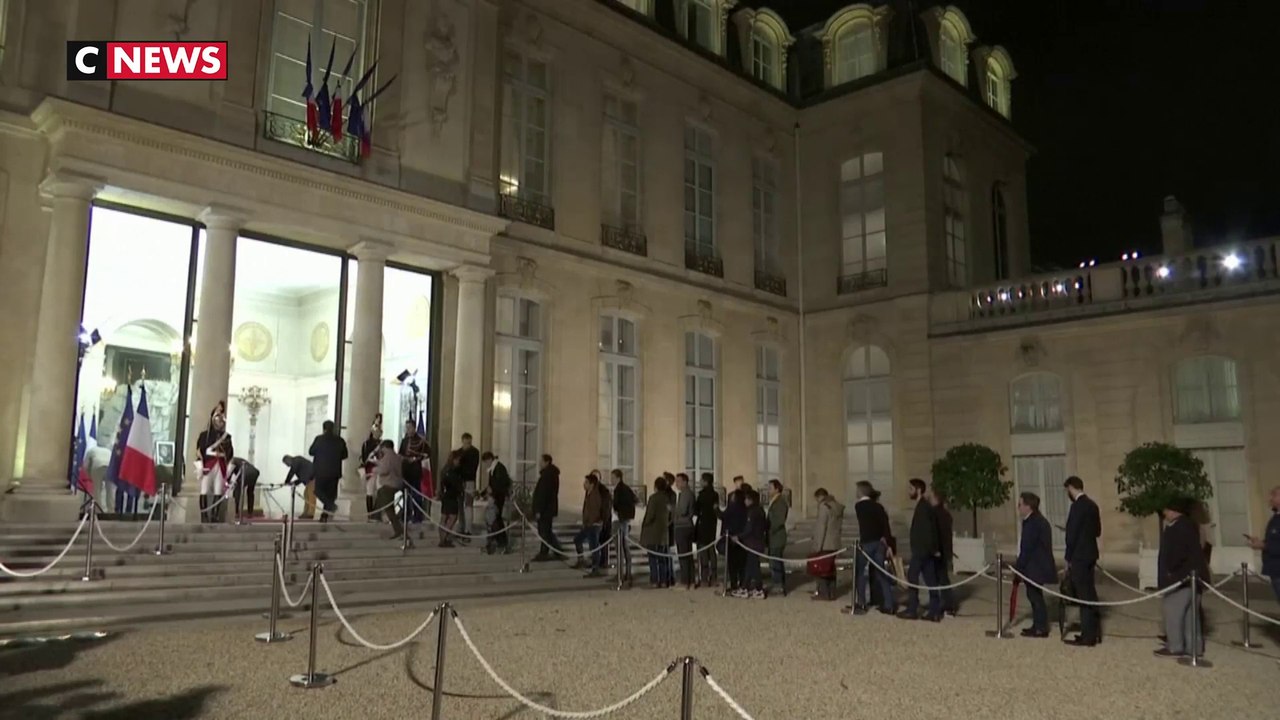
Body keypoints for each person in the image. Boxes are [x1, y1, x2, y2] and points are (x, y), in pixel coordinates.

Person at [1155, 496, 1209, 658]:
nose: (1164, 513)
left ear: (1173, 511)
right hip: (1193, 577)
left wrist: (1170, 571)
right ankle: (1194, 647)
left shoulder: (1179, 527)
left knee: (1173, 612)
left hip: (1180, 578)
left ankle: (1175, 646)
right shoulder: (1189, 525)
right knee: (1191, 616)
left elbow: (1176, 553)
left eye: (1166, 510)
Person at [1063, 475, 1102, 646]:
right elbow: (1097, 531)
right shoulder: (1092, 505)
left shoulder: (1077, 507)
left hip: (1079, 556)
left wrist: (1068, 557)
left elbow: (1071, 535)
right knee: (1090, 593)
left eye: (1067, 490)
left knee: (1083, 596)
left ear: (1071, 488)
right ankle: (1092, 631)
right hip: (1091, 553)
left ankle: (1088, 636)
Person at [1014, 492, 1057, 637]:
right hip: (1037, 566)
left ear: (1028, 506)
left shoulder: (1033, 523)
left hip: (1036, 566)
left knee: (1035, 597)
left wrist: (1018, 568)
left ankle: (1040, 627)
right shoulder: (1037, 521)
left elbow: (1027, 548)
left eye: (1020, 504)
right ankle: (1038, 625)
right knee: (1034, 596)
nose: (1018, 508)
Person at [899, 478, 942, 621]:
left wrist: (928, 549)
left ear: (918, 490)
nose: (908, 491)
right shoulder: (924, 506)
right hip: (925, 550)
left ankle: (912, 609)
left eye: (911, 489)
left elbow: (928, 530)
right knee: (931, 581)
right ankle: (934, 611)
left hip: (921, 551)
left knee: (913, 577)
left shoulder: (923, 507)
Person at [848, 481, 894, 614]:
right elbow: (885, 524)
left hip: (867, 542)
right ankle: (888, 603)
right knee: (881, 573)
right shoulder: (879, 507)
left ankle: (862, 602)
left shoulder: (860, 506)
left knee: (859, 572)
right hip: (880, 542)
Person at [196, 402, 235, 523]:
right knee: (204, 489)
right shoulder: (204, 435)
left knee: (219, 490)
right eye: (217, 415)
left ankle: (215, 515)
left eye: (222, 415)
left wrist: (229, 469)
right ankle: (204, 515)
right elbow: (199, 451)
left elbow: (230, 453)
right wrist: (200, 465)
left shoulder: (227, 437)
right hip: (209, 464)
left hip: (221, 465)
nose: (220, 419)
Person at [1245, 485, 1280, 604]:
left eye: (1274, 495)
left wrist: (1264, 546)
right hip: (1274, 569)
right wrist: (1260, 542)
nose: (1271, 498)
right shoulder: (1275, 518)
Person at [308, 420, 348, 523]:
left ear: (324, 428)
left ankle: (329, 508)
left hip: (321, 471)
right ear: (333, 428)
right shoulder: (340, 440)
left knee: (318, 491)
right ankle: (325, 515)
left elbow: (311, 452)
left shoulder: (319, 439)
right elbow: (345, 455)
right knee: (330, 495)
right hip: (334, 472)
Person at [929, 486, 959, 616]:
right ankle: (947, 605)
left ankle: (946, 605)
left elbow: (935, 534)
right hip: (945, 550)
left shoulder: (934, 513)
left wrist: (934, 549)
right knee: (943, 578)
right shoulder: (946, 514)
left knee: (939, 579)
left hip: (938, 551)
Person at [812, 487, 844, 602]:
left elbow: (822, 527)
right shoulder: (836, 506)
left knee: (821, 569)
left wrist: (817, 546)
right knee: (830, 569)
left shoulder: (824, 507)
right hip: (834, 542)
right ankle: (832, 593)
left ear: (819, 497)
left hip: (825, 542)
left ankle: (823, 593)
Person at [734, 489, 767, 599]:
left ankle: (758, 589)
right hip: (757, 542)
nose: (744, 501)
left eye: (746, 499)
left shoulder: (752, 512)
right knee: (750, 566)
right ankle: (745, 587)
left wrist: (738, 536)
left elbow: (749, 528)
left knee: (754, 567)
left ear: (751, 500)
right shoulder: (760, 510)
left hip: (753, 543)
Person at [641, 476, 672, 588]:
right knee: (662, 558)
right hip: (663, 533)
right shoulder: (667, 498)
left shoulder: (653, 498)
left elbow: (650, 515)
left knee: (653, 559)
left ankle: (654, 580)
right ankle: (664, 581)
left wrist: (645, 524)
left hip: (653, 532)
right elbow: (671, 514)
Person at [574, 474, 607, 577]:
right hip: (589, 524)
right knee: (577, 540)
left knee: (594, 547)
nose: (584, 484)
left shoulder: (595, 495)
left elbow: (594, 511)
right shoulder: (588, 494)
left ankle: (595, 569)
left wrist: (591, 522)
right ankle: (581, 560)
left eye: (586, 482)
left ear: (592, 484)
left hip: (593, 525)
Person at [371, 439, 405, 539]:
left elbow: (384, 470)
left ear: (385, 447)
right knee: (388, 507)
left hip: (388, 484)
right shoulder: (397, 457)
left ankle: (399, 530)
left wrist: (374, 469)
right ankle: (398, 529)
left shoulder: (387, 457)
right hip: (396, 484)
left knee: (389, 509)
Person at [531, 454, 563, 560]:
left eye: (541, 461)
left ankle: (544, 552)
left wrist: (539, 510)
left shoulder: (548, 475)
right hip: (548, 508)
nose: (540, 463)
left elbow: (543, 494)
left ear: (547, 462)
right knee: (547, 531)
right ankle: (558, 550)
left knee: (544, 531)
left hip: (545, 509)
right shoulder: (550, 474)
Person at [481, 451, 511, 554]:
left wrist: (492, 491)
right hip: (494, 498)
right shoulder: (493, 469)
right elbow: (491, 485)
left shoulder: (499, 468)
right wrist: (482, 493)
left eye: (486, 462)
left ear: (489, 459)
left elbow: (501, 484)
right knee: (493, 521)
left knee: (496, 521)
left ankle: (501, 542)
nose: (486, 464)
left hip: (498, 498)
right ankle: (495, 542)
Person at [612, 470, 638, 588]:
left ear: (618, 477)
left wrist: (619, 512)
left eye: (613, 477)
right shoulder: (626, 488)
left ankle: (621, 574)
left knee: (621, 548)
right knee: (624, 547)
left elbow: (617, 504)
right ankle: (625, 572)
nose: (611, 479)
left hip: (621, 519)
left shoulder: (620, 489)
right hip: (624, 518)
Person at [400, 420, 430, 523]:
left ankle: (418, 516)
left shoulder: (421, 441)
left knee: (416, 495)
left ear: (414, 428)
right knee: (405, 495)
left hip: (415, 471)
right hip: (406, 471)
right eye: (406, 427)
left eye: (409, 427)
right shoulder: (404, 441)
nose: (408, 430)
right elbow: (400, 453)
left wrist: (416, 459)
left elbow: (427, 454)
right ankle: (406, 515)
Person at [721, 483, 748, 593]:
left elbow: (724, 518)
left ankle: (734, 584)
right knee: (741, 564)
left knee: (732, 564)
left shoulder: (732, 508)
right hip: (742, 538)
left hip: (732, 538)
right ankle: (742, 583)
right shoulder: (745, 509)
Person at [694, 473, 720, 587]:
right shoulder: (715, 495)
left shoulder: (701, 495)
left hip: (703, 524)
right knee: (712, 551)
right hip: (712, 525)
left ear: (705, 481)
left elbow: (696, 510)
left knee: (703, 552)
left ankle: (704, 578)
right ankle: (714, 577)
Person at [765, 479, 789, 596]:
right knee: (774, 560)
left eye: (770, 488)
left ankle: (778, 586)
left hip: (777, 536)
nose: (768, 490)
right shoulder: (774, 501)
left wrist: (768, 527)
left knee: (776, 561)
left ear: (776, 489)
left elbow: (778, 521)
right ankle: (778, 584)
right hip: (773, 536)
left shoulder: (780, 502)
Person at [672, 473, 696, 589]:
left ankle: (685, 581)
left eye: (678, 481)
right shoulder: (687, 493)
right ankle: (690, 580)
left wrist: (672, 509)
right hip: (686, 525)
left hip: (683, 526)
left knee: (683, 555)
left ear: (685, 482)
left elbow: (682, 510)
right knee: (687, 555)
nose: (676, 484)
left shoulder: (685, 494)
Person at [437, 451, 464, 547]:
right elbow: (455, 484)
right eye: (457, 460)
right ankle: (444, 538)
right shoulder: (451, 471)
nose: (458, 462)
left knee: (444, 517)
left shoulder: (445, 469)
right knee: (452, 517)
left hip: (446, 496)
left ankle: (442, 538)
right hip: (451, 496)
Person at [455, 433, 480, 534]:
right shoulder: (458, 452)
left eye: (469, 443)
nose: (467, 445)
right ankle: (461, 526)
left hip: (469, 481)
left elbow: (473, 467)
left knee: (468, 505)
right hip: (460, 481)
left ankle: (468, 528)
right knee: (460, 505)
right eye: (465, 443)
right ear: (462, 441)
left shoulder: (474, 452)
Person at [360, 415, 383, 522]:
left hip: (381, 470)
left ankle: (377, 514)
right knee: (369, 492)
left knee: (380, 492)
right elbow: (364, 458)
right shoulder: (366, 444)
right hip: (370, 470)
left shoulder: (382, 444)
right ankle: (370, 514)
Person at [282, 454, 315, 520]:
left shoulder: (296, 461)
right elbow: (302, 477)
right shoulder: (297, 461)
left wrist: (287, 481)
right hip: (309, 478)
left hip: (313, 477)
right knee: (306, 495)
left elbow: (292, 472)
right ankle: (306, 513)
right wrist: (293, 482)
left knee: (311, 495)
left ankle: (310, 513)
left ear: (288, 460)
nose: (287, 465)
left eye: (286, 463)